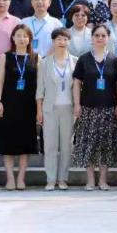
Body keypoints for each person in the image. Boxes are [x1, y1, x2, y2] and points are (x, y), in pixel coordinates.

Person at [72, 24, 117, 190]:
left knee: (106, 144)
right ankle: (90, 180)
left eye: (103, 35)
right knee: (88, 144)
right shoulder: (84, 59)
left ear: (108, 38)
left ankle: (103, 180)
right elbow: (77, 83)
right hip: (88, 108)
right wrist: (77, 104)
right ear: (91, 38)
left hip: (108, 108)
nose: (100, 38)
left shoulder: (115, 60)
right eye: (97, 35)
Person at [0, 22, 40, 190]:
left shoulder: (36, 58)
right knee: (8, 141)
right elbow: (0, 81)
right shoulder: (5, 57)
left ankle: (21, 177)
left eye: (25, 36)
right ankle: (10, 178)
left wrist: (39, 106)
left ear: (30, 39)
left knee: (25, 142)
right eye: (18, 35)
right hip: (9, 104)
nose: (22, 39)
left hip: (28, 106)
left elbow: (39, 85)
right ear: (13, 37)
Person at [36, 27, 77, 190]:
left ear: (69, 42)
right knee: (50, 145)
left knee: (67, 145)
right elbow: (40, 89)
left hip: (69, 108)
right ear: (53, 42)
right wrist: (39, 109)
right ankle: (51, 179)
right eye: (58, 39)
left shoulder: (75, 61)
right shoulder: (45, 62)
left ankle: (63, 179)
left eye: (65, 39)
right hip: (50, 108)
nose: (62, 42)